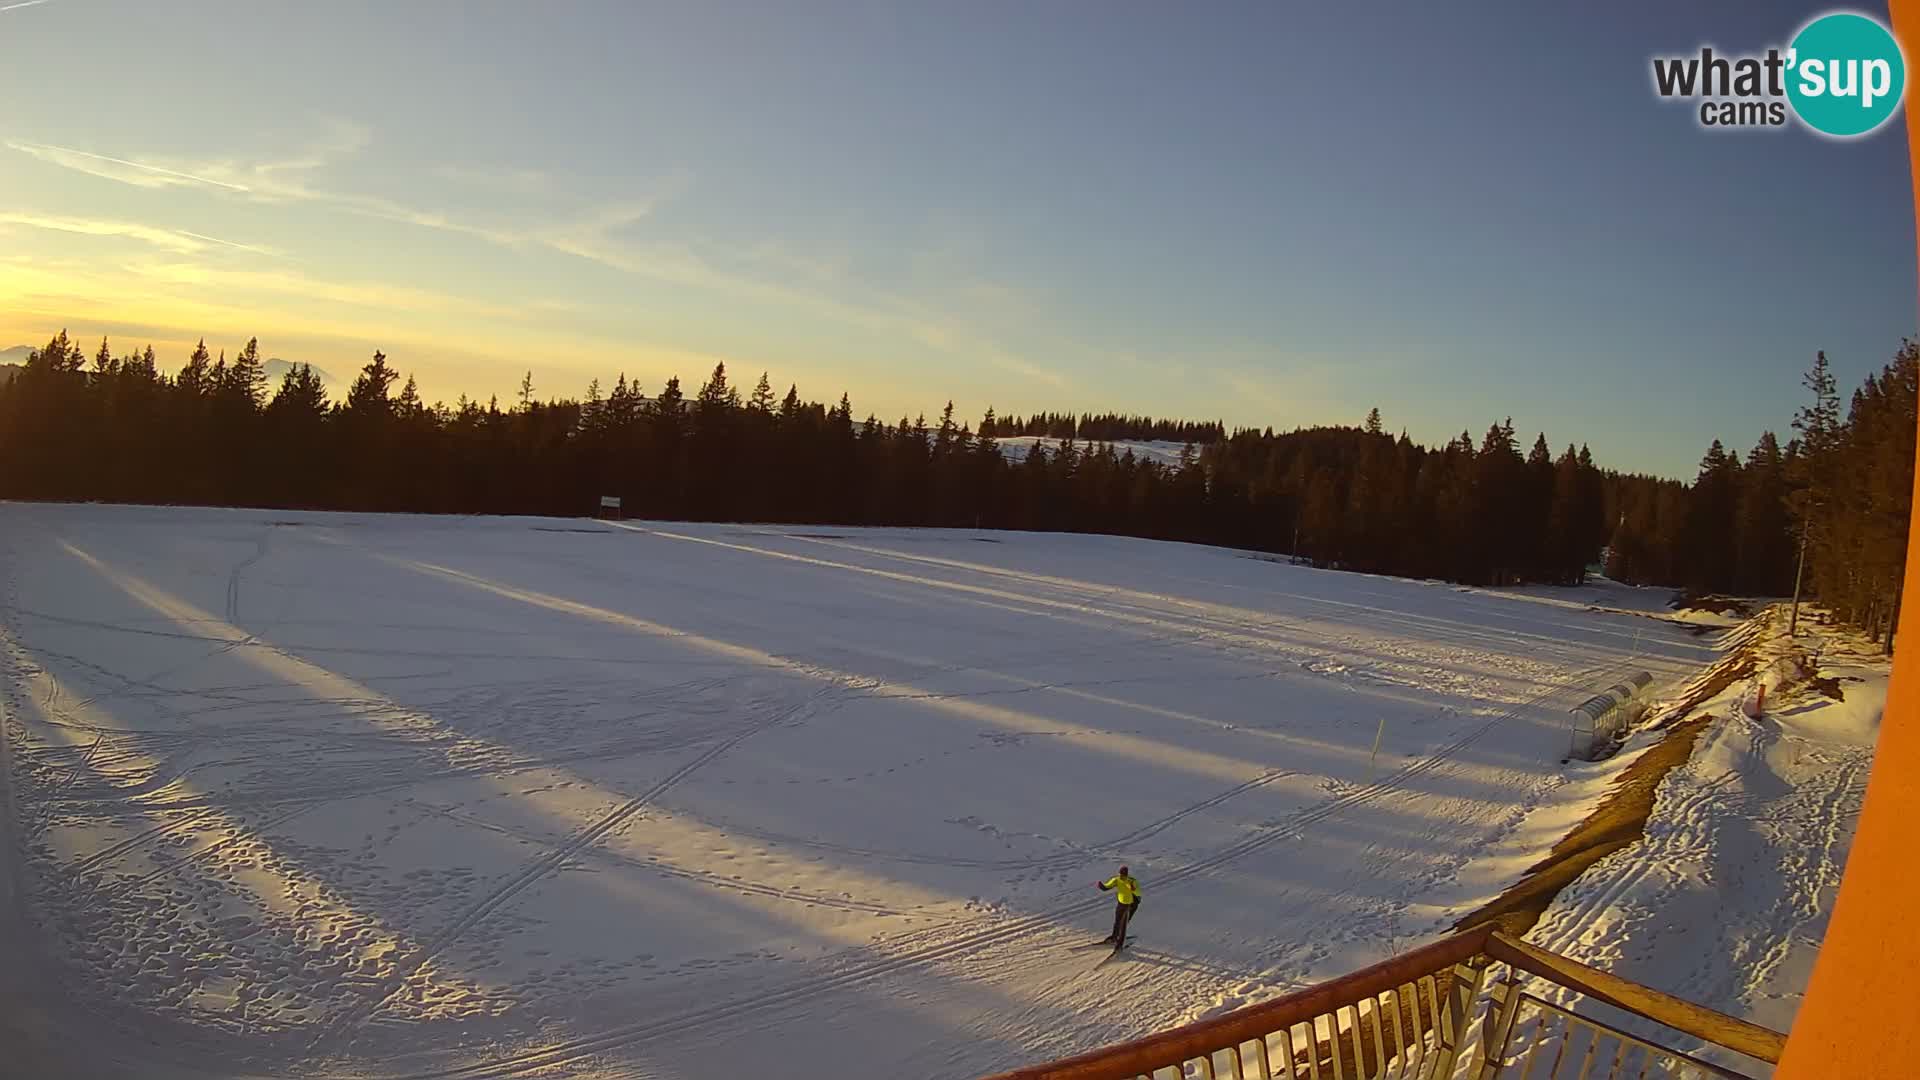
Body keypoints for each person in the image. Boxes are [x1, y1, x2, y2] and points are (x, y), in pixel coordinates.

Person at [1097, 865, 1142, 947]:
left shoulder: (1132, 881)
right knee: (1117, 921)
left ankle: (1120, 943)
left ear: (1126, 874)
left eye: (1123, 875)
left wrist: (1133, 889)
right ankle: (1114, 937)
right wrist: (1102, 886)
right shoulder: (1117, 880)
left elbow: (1138, 893)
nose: (1121, 876)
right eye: (1120, 874)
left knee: (1124, 923)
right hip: (1121, 904)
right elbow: (1107, 886)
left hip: (1130, 905)